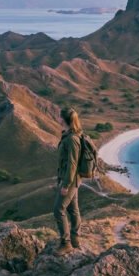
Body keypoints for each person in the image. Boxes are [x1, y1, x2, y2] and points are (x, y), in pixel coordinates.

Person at [54, 107, 83, 255]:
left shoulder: (72, 139)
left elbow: (72, 163)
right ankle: (75, 239)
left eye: (59, 117)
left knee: (58, 210)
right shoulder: (70, 135)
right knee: (73, 209)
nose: (58, 119)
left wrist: (65, 184)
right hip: (71, 179)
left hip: (70, 180)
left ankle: (66, 243)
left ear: (64, 119)